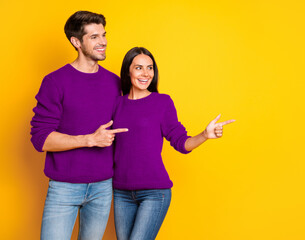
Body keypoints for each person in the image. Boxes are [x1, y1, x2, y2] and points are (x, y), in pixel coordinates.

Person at [111, 47, 235, 240]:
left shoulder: (162, 102)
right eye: (139, 68)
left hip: (154, 192)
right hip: (121, 192)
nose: (146, 73)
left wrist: (204, 134)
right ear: (128, 71)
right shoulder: (117, 104)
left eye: (150, 68)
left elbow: (180, 141)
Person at [30, 11, 127, 240]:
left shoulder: (114, 82)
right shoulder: (55, 82)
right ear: (76, 42)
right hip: (64, 187)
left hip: (103, 187)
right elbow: (40, 139)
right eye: (94, 37)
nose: (103, 42)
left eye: (103, 35)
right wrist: (89, 139)